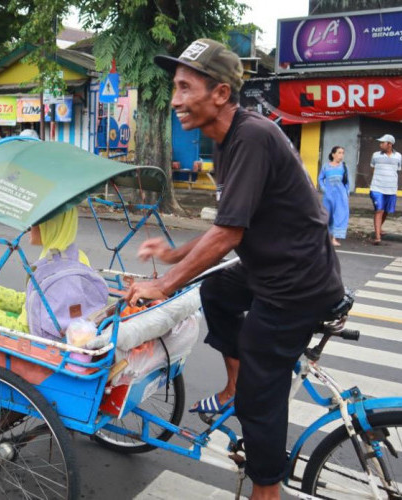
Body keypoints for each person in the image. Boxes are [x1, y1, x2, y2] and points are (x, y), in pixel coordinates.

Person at [125, 39, 344, 500]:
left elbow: (227, 236)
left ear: (221, 94)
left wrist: (163, 284)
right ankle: (232, 386)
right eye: (175, 88)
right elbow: (228, 226)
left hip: (295, 286)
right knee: (217, 291)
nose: (176, 100)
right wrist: (175, 256)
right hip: (274, 270)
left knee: (262, 392)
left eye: (186, 87)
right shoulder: (229, 141)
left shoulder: (252, 137)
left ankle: (266, 489)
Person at [0, 206, 107, 340]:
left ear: (49, 226)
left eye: (34, 222)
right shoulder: (79, 257)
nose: (29, 227)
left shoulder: (50, 270)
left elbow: (28, 330)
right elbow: (35, 304)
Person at [369, 134, 401, 244]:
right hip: (377, 188)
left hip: (391, 189)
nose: (380, 144)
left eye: (383, 142)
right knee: (379, 210)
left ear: (390, 144)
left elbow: (397, 170)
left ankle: (379, 228)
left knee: (386, 211)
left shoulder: (398, 156)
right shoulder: (375, 155)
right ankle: (377, 237)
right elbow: (372, 168)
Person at [318, 146, 350, 246]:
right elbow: (320, 179)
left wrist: (346, 193)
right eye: (339, 152)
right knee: (328, 216)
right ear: (333, 154)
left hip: (341, 196)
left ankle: (335, 238)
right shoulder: (325, 166)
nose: (341, 155)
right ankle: (326, 237)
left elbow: (347, 182)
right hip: (328, 196)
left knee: (340, 215)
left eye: (343, 153)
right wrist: (324, 189)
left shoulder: (344, 167)